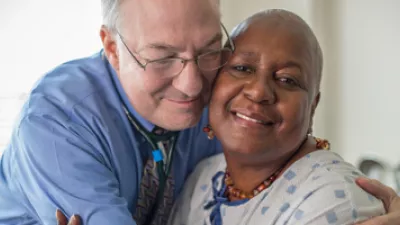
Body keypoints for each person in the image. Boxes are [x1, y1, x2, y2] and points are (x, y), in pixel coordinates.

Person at [0, 0, 399, 224]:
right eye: (162, 57)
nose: (193, 87)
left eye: (210, 49)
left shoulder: (221, 112)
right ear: (111, 47)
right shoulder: (58, 124)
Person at [165, 9, 389, 225]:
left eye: (287, 80)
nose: (258, 92)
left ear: (312, 107)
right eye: (242, 68)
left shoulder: (331, 200)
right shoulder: (204, 179)